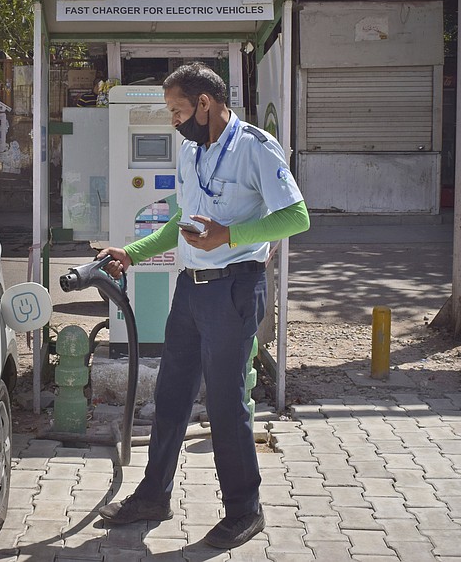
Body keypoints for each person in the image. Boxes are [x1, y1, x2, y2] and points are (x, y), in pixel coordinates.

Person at [96, 61, 310, 549]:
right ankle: (154, 495)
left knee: (226, 402)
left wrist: (230, 235)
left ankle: (244, 510)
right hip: (190, 290)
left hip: (234, 289)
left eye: (176, 110)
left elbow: (296, 216)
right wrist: (131, 252)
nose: (172, 120)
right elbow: (179, 222)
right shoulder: (191, 151)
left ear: (205, 104)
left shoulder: (255, 148)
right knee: (170, 395)